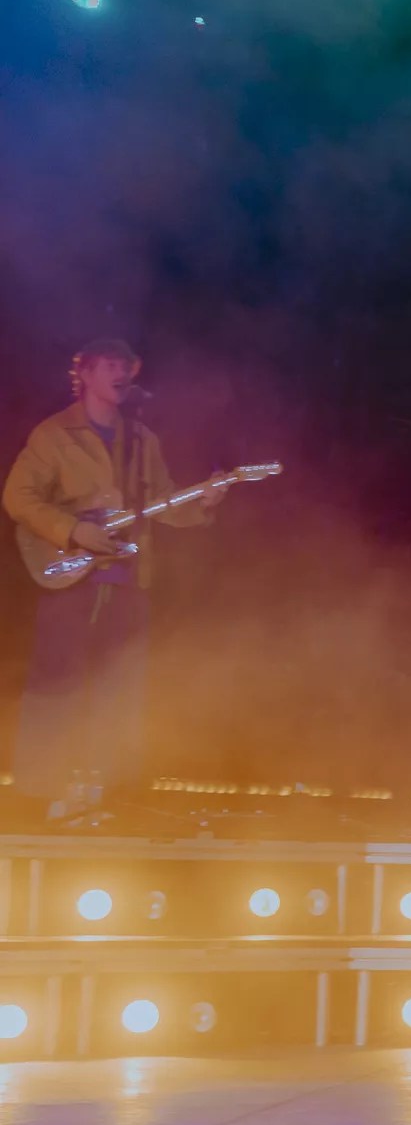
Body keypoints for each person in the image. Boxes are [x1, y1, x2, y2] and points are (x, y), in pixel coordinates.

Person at [3, 338, 225, 818]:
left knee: (120, 686)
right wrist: (73, 530)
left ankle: (108, 792)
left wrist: (203, 505)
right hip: (72, 576)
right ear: (83, 373)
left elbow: (161, 502)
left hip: (128, 580)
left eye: (126, 365)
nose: (120, 373)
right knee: (56, 681)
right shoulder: (55, 434)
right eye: (109, 365)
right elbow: (19, 498)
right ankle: (41, 792)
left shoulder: (142, 439)